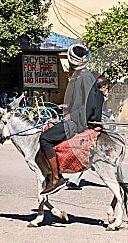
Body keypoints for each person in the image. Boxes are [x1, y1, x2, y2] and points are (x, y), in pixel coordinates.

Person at [39, 44, 104, 195]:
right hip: (77, 119)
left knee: (45, 139)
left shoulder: (84, 79)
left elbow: (89, 106)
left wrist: (71, 116)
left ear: (72, 61)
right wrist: (68, 106)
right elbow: (83, 102)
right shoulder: (85, 77)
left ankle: (56, 178)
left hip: (78, 123)